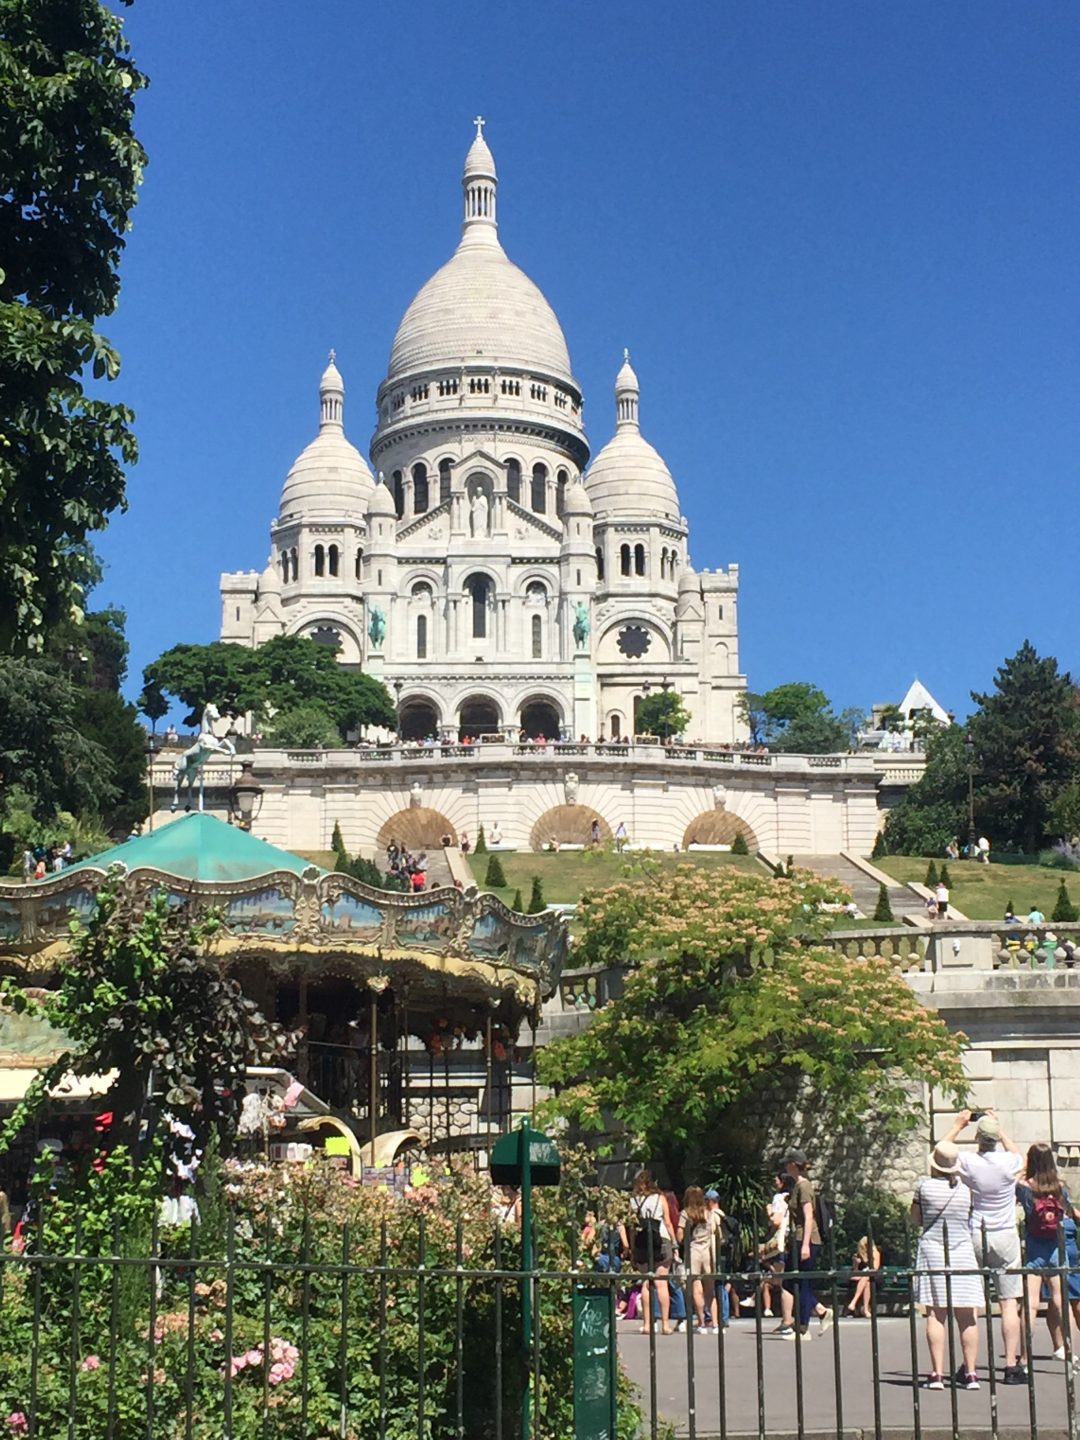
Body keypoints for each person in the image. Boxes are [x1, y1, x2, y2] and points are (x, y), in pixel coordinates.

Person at [942, 1109, 1024, 1382]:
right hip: (1005, 1233)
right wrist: (999, 1128)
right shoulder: (1010, 1162)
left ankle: (969, 1367)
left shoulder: (968, 1161)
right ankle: (1011, 1365)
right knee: (1008, 1301)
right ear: (996, 1138)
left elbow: (941, 1156)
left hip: (976, 1231)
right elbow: (1019, 1155)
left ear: (978, 1137)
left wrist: (958, 1125)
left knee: (969, 1301)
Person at [912, 1140, 983, 1390]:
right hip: (962, 1251)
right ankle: (972, 1373)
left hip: (934, 1250)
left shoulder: (924, 1187)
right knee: (967, 1316)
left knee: (935, 1313)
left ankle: (937, 1374)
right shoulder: (966, 1190)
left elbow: (916, 1219)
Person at [1016, 1142, 1080, 1367]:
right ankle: (1071, 1351)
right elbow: (1068, 1213)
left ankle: (1024, 1357)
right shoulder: (1059, 1187)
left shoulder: (1025, 1186)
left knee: (1030, 1304)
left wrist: (1023, 1168)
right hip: (1055, 1247)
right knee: (1062, 1302)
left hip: (1034, 1248)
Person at [777, 1151, 832, 1338]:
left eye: (787, 1164)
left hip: (805, 1238)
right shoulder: (797, 1186)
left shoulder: (804, 1186)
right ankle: (821, 1311)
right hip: (798, 1238)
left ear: (794, 1164)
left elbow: (809, 1217)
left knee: (799, 1282)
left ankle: (802, 1328)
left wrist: (806, 1244)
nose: (785, 1167)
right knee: (793, 1282)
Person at [629, 1171, 676, 1335]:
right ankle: (665, 1324)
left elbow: (633, 1228)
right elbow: (668, 1223)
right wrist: (675, 1243)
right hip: (661, 1240)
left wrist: (632, 1248)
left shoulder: (633, 1201)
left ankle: (648, 1324)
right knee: (661, 1283)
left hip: (642, 1243)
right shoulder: (660, 1198)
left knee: (646, 1283)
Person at [677, 1187, 724, 1334]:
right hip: (708, 1251)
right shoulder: (709, 1212)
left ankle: (702, 1323)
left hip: (694, 1251)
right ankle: (716, 1324)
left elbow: (679, 1235)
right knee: (710, 1290)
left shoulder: (686, 1213)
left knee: (696, 1289)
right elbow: (717, 1233)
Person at [846, 1236, 881, 1319]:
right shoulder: (859, 1255)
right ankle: (865, 1310)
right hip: (861, 1279)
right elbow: (854, 1271)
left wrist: (862, 1276)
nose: (865, 1248)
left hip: (874, 1277)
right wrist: (856, 1263)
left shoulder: (875, 1253)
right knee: (867, 1283)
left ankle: (853, 1302)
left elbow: (874, 1269)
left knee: (866, 1278)